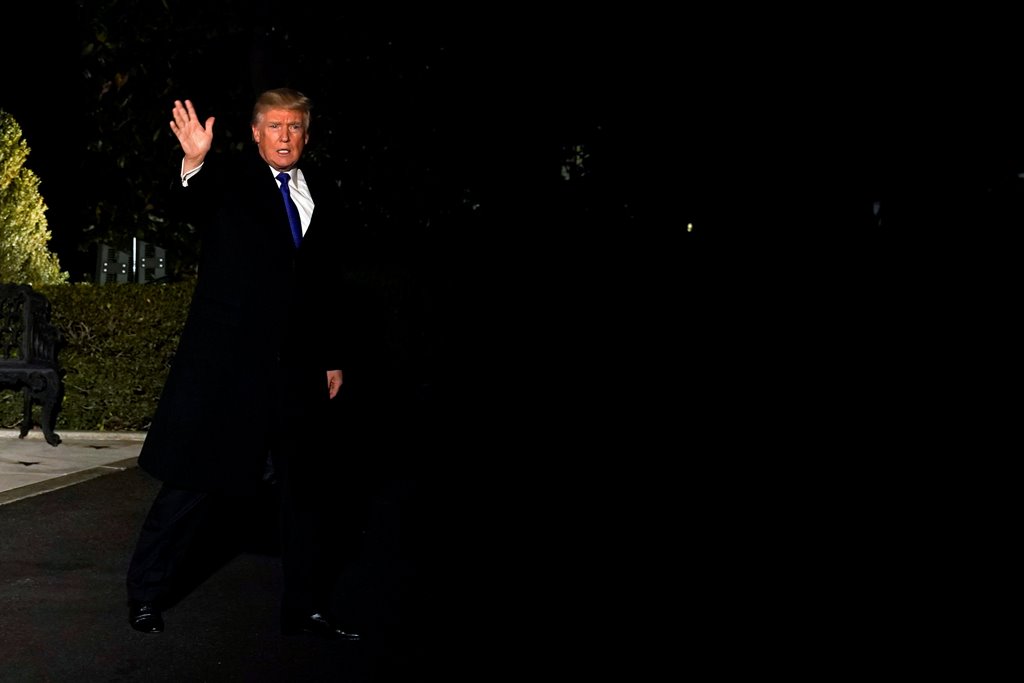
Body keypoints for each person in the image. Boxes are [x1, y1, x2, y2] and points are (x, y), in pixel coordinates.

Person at [125, 88, 359, 639]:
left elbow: (324, 286)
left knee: (305, 493)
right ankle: (145, 595)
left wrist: (331, 358)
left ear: (307, 133)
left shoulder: (319, 192)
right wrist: (195, 161)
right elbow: (191, 203)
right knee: (192, 487)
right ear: (255, 133)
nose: (284, 136)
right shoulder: (231, 181)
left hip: (297, 370)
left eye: (294, 127)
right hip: (230, 370)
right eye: (274, 126)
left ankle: (305, 609)